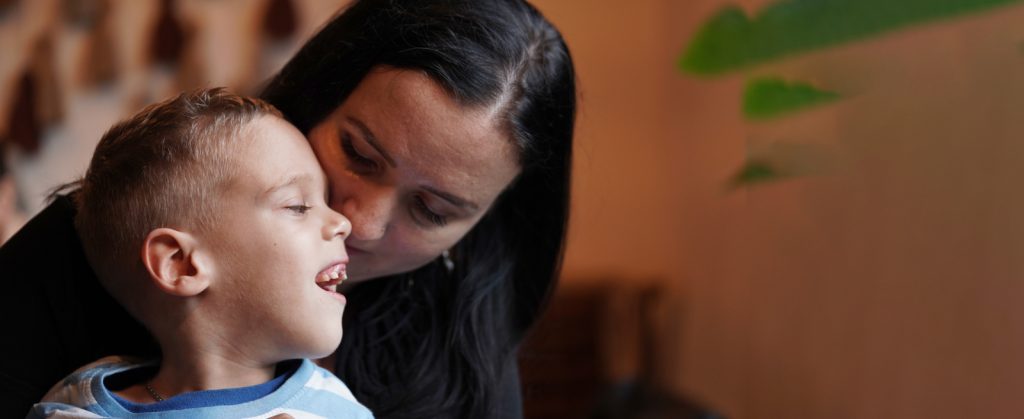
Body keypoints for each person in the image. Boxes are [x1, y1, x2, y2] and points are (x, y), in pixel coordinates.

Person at [0, 0, 576, 418]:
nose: (360, 221)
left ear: (477, 229)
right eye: (358, 153)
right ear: (317, 97)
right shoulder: (83, 254)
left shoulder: (462, 371)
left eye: (431, 210)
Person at [26, 88, 373, 418]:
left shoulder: (339, 410)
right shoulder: (74, 408)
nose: (342, 222)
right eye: (298, 206)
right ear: (181, 263)